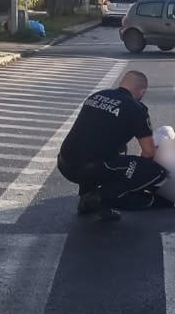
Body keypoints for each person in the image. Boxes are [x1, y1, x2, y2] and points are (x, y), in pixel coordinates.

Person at [55, 70, 168, 221]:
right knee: (156, 171)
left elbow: (88, 135)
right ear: (142, 91)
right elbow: (148, 152)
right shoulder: (136, 108)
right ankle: (100, 198)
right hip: (90, 168)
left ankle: (86, 196)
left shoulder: (96, 96)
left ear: (122, 83)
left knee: (97, 153)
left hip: (64, 163)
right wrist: (137, 171)